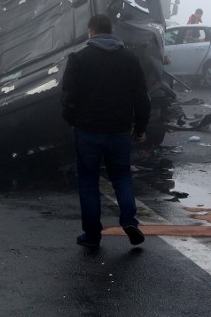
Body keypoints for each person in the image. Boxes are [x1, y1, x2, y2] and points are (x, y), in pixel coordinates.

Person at [61, 14, 151, 248]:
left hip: (87, 130)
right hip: (119, 131)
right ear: (111, 31)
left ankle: (92, 234)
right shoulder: (129, 59)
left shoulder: (79, 59)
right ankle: (129, 221)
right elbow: (141, 96)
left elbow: (68, 95)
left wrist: (71, 120)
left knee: (89, 181)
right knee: (121, 176)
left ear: (91, 32)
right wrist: (140, 127)